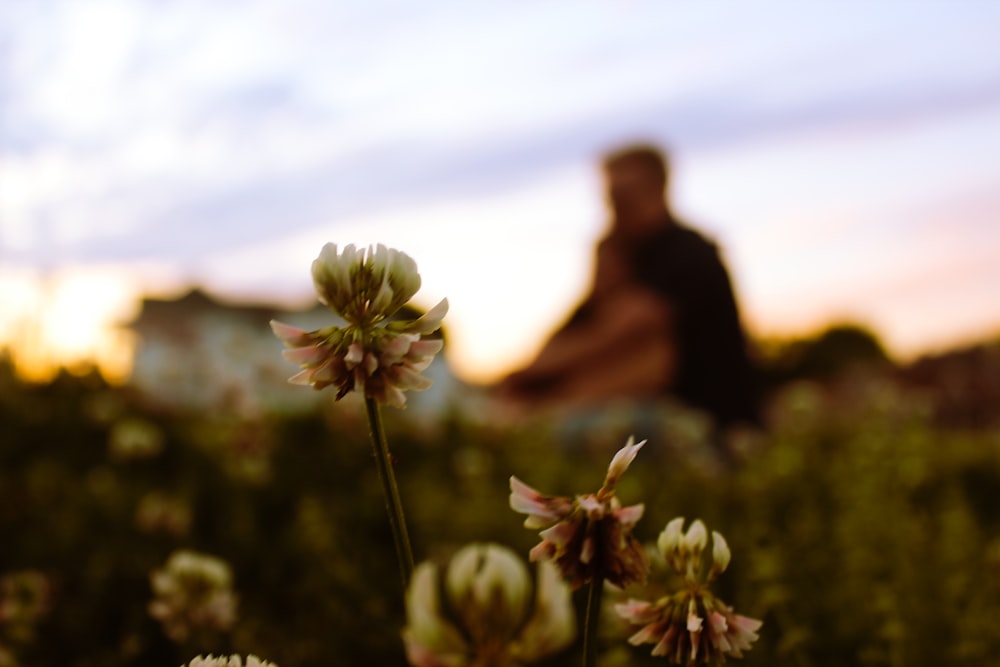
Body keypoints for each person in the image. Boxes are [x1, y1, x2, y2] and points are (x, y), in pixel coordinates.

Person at [498, 144, 761, 432]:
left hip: (707, 423)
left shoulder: (686, 253)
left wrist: (531, 384)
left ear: (658, 187)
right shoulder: (624, 260)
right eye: (611, 196)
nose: (616, 208)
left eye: (625, 194)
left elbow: (619, 338)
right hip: (667, 418)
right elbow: (575, 337)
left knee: (562, 432)